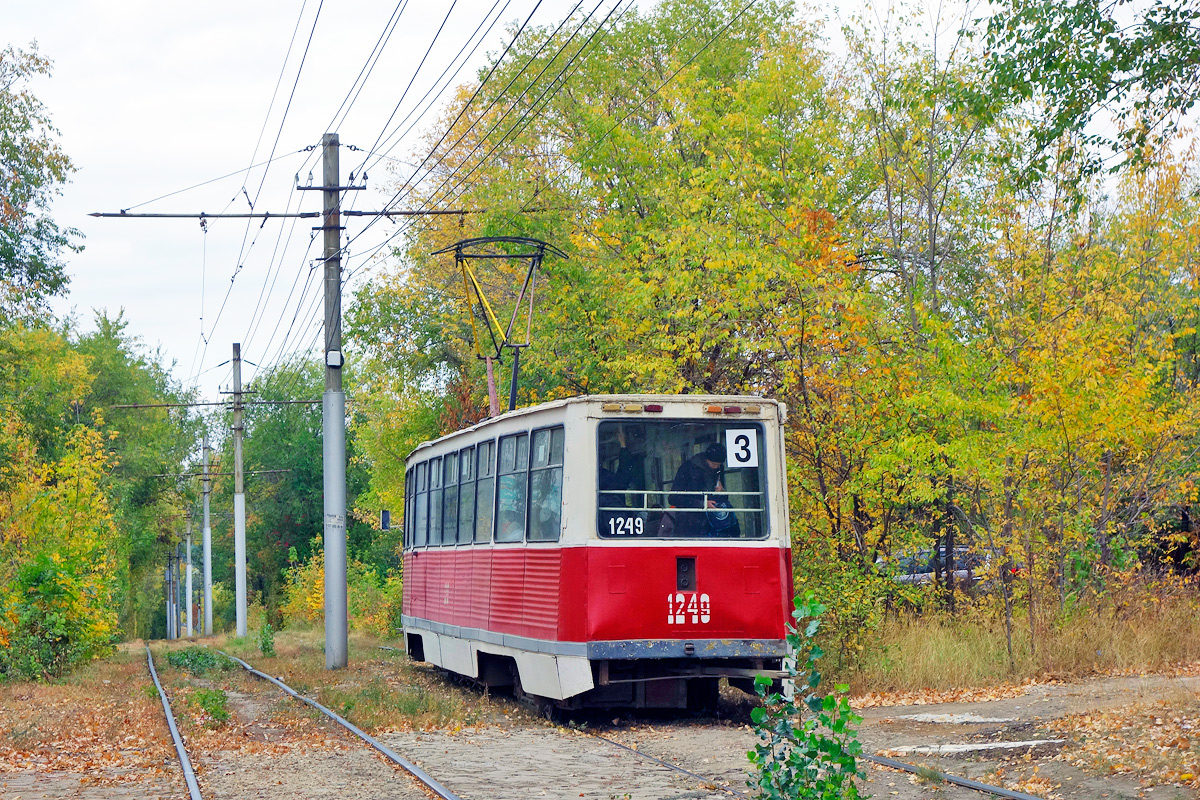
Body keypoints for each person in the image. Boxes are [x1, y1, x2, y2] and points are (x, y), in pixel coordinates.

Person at [669, 442, 737, 537]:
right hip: (689, 524)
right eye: (714, 464)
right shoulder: (687, 468)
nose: (716, 467)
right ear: (706, 459)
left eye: (719, 465)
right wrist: (702, 504)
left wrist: (722, 491)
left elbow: (723, 499)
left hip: (714, 524)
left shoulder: (718, 469)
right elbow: (673, 498)